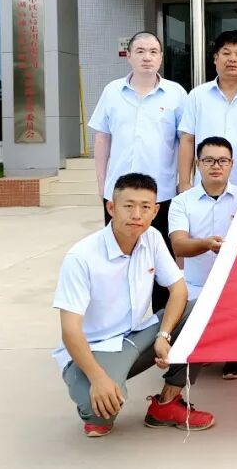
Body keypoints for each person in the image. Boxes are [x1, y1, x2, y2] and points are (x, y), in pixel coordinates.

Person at [52, 173, 215, 438]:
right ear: (111, 208)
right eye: (128, 206)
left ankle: (167, 403)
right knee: (100, 415)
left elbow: (178, 289)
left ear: (156, 211)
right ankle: (95, 384)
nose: (137, 215)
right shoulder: (81, 257)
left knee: (205, 311)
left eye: (145, 207)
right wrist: (99, 378)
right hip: (96, 348)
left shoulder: (152, 237)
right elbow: (70, 330)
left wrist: (163, 335)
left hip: (137, 336)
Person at [88, 31, 186, 313]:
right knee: (118, 259)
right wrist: (102, 184)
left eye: (153, 52)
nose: (147, 57)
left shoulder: (176, 94)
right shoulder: (112, 92)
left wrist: (184, 182)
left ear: (161, 58)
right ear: (129, 56)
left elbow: (185, 141)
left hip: (161, 195)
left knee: (160, 260)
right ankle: (118, 319)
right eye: (140, 51)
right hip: (119, 195)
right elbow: (102, 138)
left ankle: (162, 323)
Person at [169, 137, 237, 380]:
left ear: (231, 164)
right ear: (197, 164)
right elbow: (179, 246)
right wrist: (205, 244)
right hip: (196, 285)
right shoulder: (181, 202)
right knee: (183, 351)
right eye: (209, 160)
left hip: (235, 287)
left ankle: (235, 352)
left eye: (223, 161)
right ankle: (201, 347)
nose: (216, 166)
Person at [177, 30, 237, 193]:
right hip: (204, 190)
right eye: (226, 53)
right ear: (215, 58)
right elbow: (187, 140)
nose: (232, 59)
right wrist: (184, 182)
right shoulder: (197, 96)